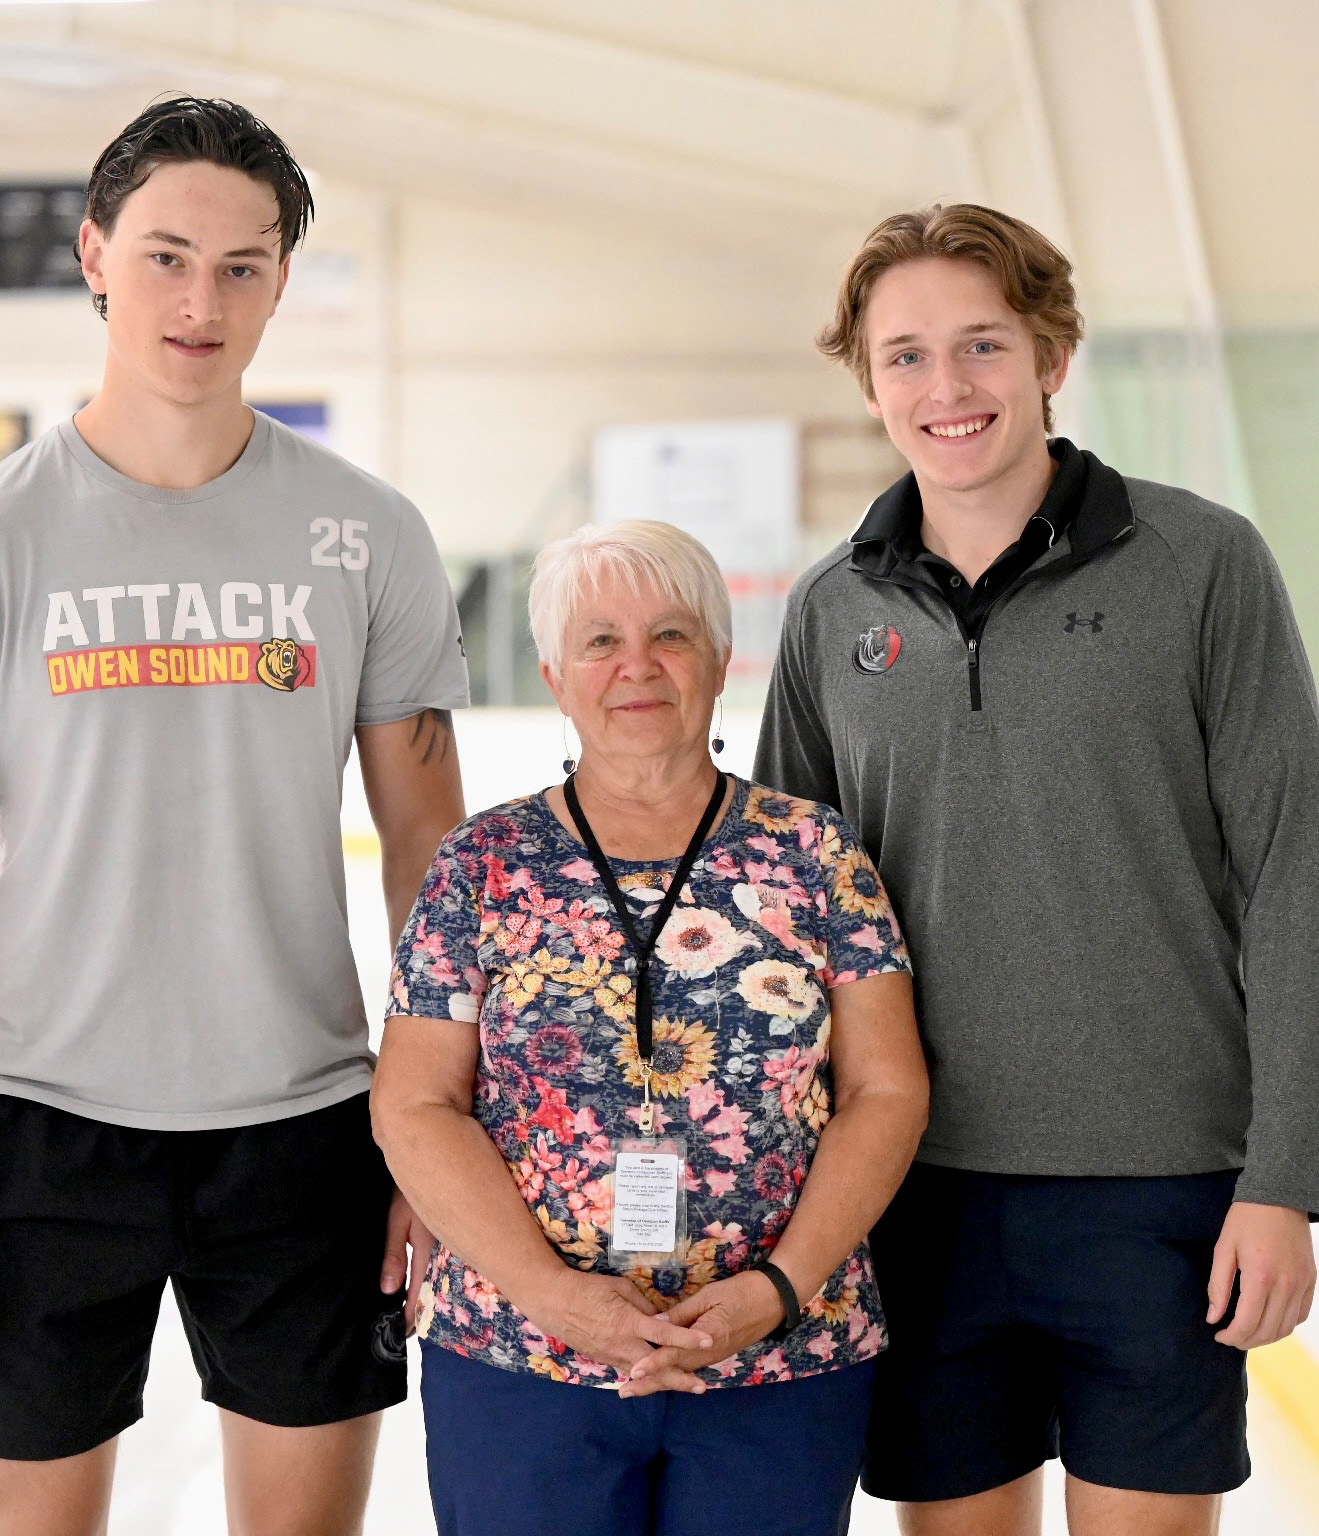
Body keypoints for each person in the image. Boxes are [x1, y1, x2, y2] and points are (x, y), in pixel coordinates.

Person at [0, 97, 468, 1536]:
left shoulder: (365, 534)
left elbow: (430, 857)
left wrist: (442, 1138)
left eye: (244, 265)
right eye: (169, 256)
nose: (204, 300)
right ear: (93, 255)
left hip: (312, 1130)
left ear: (281, 283)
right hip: (45, 1134)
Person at [757, 204, 1319, 1536]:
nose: (945, 388)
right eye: (904, 356)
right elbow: (789, 925)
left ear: (1052, 355)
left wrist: (1282, 1181)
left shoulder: (1203, 566)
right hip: (915, 1189)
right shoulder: (832, 609)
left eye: (982, 346)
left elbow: (1289, 882)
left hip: (1163, 1187)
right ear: (866, 379)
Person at [372, 519, 930, 1536]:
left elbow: (887, 1090)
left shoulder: (815, 856)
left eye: (672, 635)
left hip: (778, 1358)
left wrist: (778, 1288)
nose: (638, 666)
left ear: (722, 660)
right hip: (522, 1357)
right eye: (600, 640)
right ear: (554, 671)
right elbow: (414, 1104)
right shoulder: (482, 865)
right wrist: (553, 1295)